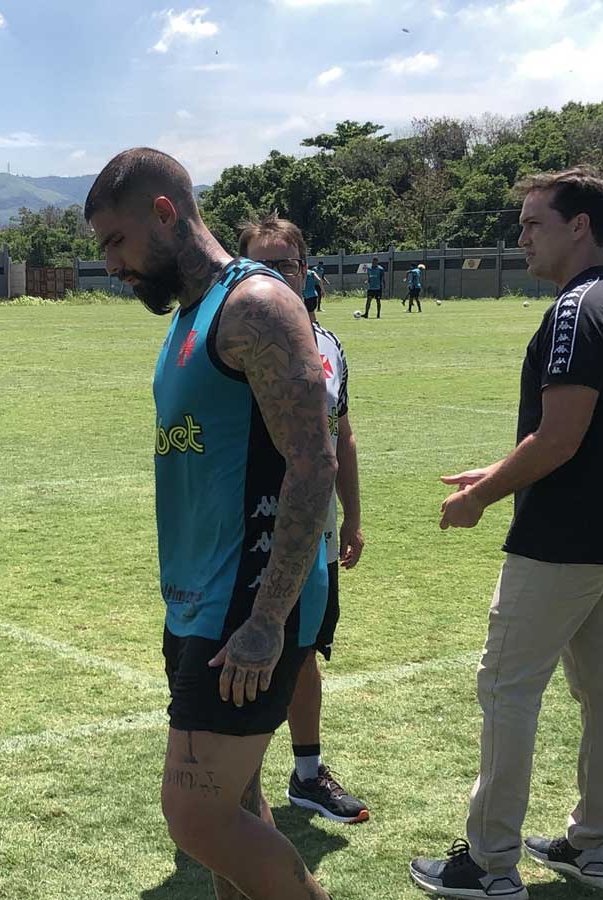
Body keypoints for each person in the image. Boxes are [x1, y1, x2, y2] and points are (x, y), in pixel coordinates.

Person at [85, 149, 335, 900]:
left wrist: (266, 619)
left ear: (165, 214)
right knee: (231, 807)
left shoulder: (254, 306)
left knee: (194, 817)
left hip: (247, 604)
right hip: (195, 598)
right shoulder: (190, 316)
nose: (111, 265)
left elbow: (313, 464)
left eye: (117, 243)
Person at [409, 166, 603, 899]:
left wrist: (482, 495)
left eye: (533, 223)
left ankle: (489, 864)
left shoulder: (578, 311)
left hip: (562, 541)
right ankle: (592, 848)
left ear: (579, 225)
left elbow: (561, 439)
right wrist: (490, 469)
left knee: (507, 689)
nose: (521, 239)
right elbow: (580, 433)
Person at [238, 213, 369, 824]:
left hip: (311, 533)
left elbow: (340, 435)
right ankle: (234, 783)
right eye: (258, 265)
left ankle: (307, 773)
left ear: (305, 271)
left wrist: (353, 518)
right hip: (248, 534)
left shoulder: (329, 345)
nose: (273, 277)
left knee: (304, 651)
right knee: (238, 650)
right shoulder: (235, 341)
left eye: (284, 265)